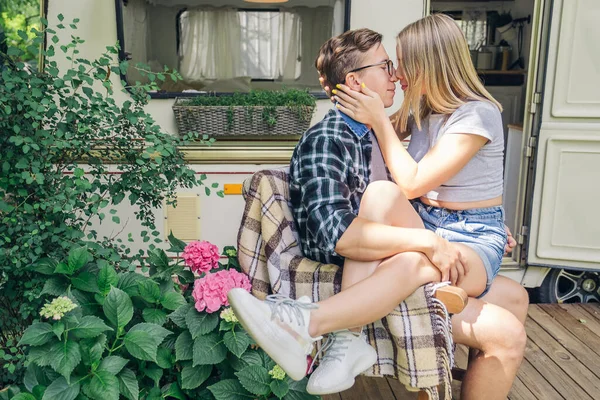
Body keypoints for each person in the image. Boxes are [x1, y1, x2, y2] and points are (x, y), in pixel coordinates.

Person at [229, 21, 527, 400]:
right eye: (388, 66)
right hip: (431, 226)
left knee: (424, 263)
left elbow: (416, 182)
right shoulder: (414, 116)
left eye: (400, 64)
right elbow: (372, 207)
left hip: (468, 233)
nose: (397, 75)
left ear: (428, 65)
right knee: (386, 199)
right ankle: (344, 338)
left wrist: (490, 224)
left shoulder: (474, 115)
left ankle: (312, 324)